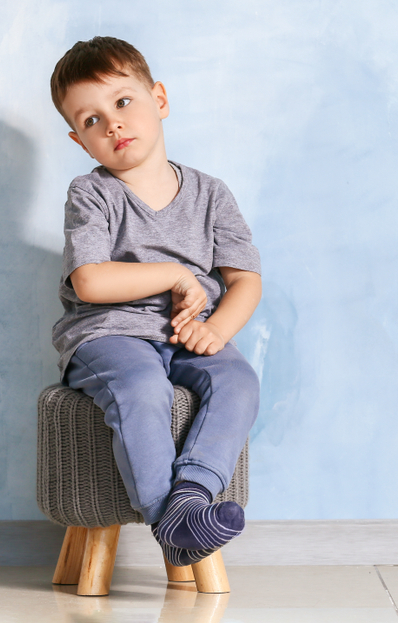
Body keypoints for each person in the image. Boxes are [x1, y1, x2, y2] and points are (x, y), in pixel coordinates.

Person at [49, 37, 262, 566]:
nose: (114, 124)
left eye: (122, 103)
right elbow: (91, 284)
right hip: (109, 335)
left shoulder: (211, 194)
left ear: (159, 100)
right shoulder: (91, 193)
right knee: (143, 387)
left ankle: (189, 499)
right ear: (79, 141)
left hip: (189, 332)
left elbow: (246, 280)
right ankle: (166, 518)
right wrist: (173, 273)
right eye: (93, 120)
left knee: (238, 381)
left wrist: (217, 331)